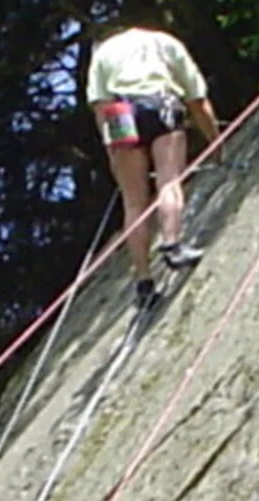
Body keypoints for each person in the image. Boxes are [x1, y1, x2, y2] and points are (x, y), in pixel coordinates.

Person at [86, 25, 221, 307]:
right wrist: (214, 140)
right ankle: (172, 244)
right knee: (168, 182)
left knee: (133, 203)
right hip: (160, 102)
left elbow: (101, 107)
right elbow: (197, 100)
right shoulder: (165, 42)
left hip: (120, 113)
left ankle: (143, 281)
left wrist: (113, 151)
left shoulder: (103, 52)